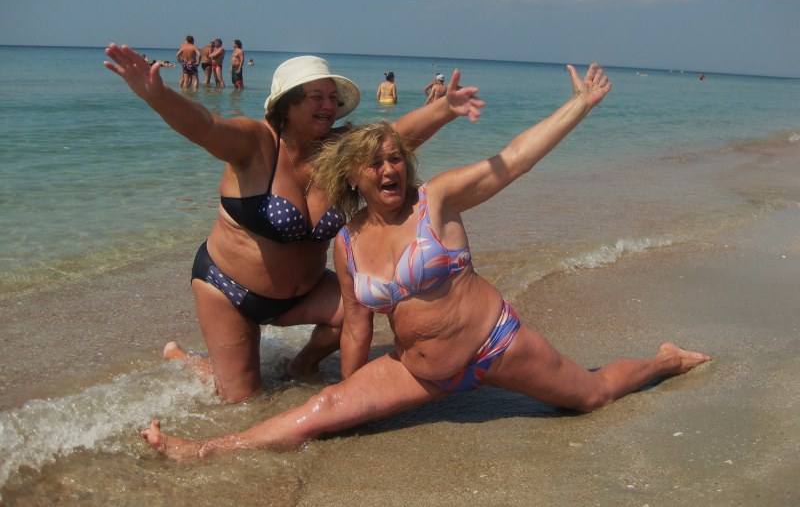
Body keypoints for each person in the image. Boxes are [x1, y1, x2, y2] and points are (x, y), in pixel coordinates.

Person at [139, 63, 710, 460]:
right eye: (376, 164)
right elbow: (358, 324)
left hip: (495, 345)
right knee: (327, 407)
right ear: (353, 176)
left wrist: (579, 104)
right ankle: (207, 451)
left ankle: (662, 361)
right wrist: (353, 396)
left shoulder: (438, 198)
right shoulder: (350, 239)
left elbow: (514, 159)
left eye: (396, 160)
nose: (389, 169)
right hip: (417, 369)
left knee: (590, 396)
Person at [103, 43, 484, 404]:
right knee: (241, 400)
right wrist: (159, 96)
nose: (329, 105)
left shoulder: (340, 149)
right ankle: (188, 361)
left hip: (305, 294)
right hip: (230, 292)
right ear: (286, 104)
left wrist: (446, 108)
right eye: (317, 96)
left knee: (359, 307)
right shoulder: (255, 144)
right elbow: (206, 126)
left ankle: (302, 364)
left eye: (333, 97)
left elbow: (397, 138)